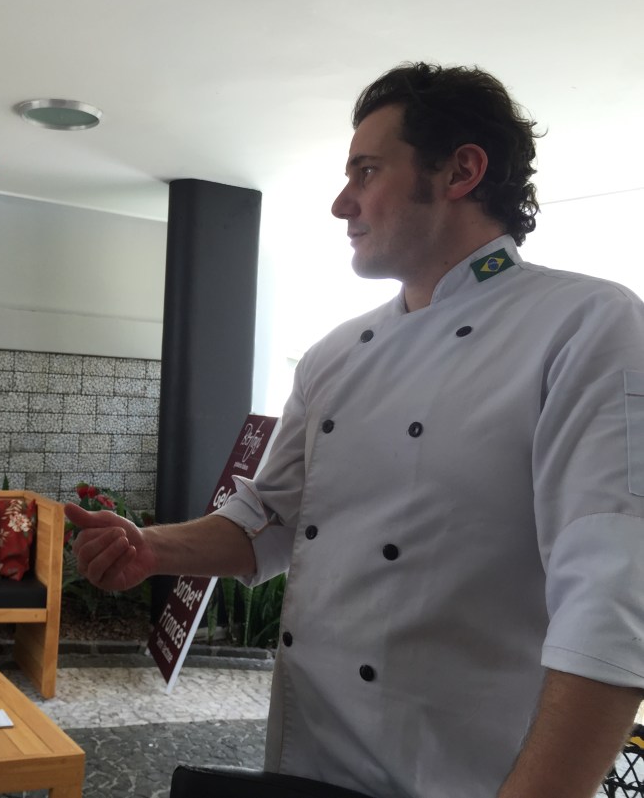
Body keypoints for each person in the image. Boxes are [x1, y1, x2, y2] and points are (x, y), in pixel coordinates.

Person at [69, 62, 644, 798]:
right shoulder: (334, 354)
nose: (342, 203)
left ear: (462, 171)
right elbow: (269, 518)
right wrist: (152, 548)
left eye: (366, 172)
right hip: (308, 759)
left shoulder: (586, 325)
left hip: (468, 775)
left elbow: (611, 597)